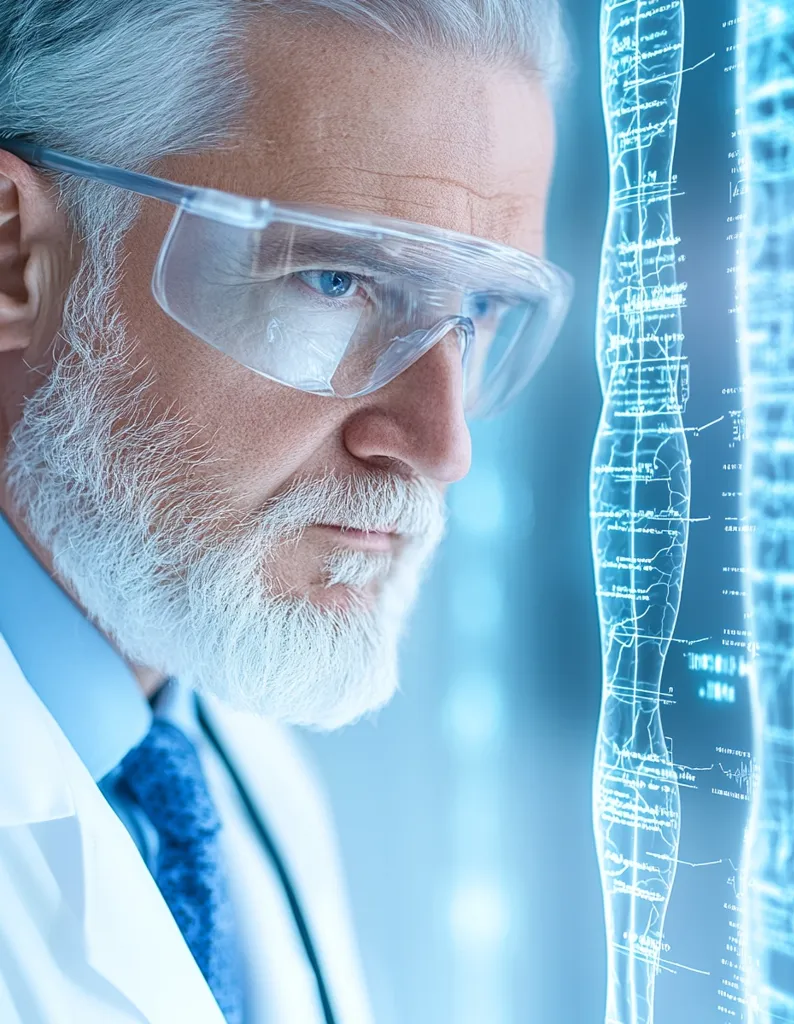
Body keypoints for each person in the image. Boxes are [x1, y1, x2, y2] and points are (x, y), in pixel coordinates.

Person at [0, 0, 572, 1021]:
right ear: (14, 259)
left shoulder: (240, 779)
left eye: (476, 314)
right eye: (333, 280)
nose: (442, 443)